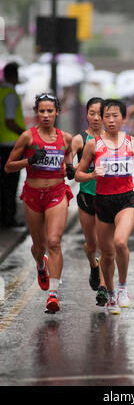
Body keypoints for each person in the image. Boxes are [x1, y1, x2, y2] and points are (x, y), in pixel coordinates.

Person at [75, 99, 134, 314]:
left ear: (123, 118)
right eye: (106, 115)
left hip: (126, 199)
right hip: (102, 201)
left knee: (120, 243)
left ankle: (123, 288)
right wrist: (91, 174)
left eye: (115, 115)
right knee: (106, 255)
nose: (109, 120)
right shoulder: (93, 144)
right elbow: (78, 174)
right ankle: (109, 294)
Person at [4, 93, 74, 313]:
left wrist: (70, 167)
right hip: (33, 195)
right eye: (41, 111)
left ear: (57, 112)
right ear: (36, 113)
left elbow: (70, 157)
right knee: (39, 246)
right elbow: (8, 166)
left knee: (54, 241)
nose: (45, 115)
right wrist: (30, 160)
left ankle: (53, 295)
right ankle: (41, 264)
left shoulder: (67, 138)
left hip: (56, 192)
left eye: (49, 111)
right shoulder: (28, 137)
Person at [71, 97, 108, 306]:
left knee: (104, 244)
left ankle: (103, 287)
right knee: (91, 244)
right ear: (86, 114)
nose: (96, 118)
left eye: (99, 114)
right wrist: (73, 169)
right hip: (86, 195)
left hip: (107, 197)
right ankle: (93, 267)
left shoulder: (112, 141)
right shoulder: (79, 140)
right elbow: (68, 166)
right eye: (92, 113)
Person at [0, 62, 25, 227]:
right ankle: (8, 218)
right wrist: (25, 134)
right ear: (13, 75)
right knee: (10, 183)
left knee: (3, 183)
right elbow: (9, 121)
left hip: (3, 144)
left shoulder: (2, 91)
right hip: (10, 145)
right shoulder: (9, 94)